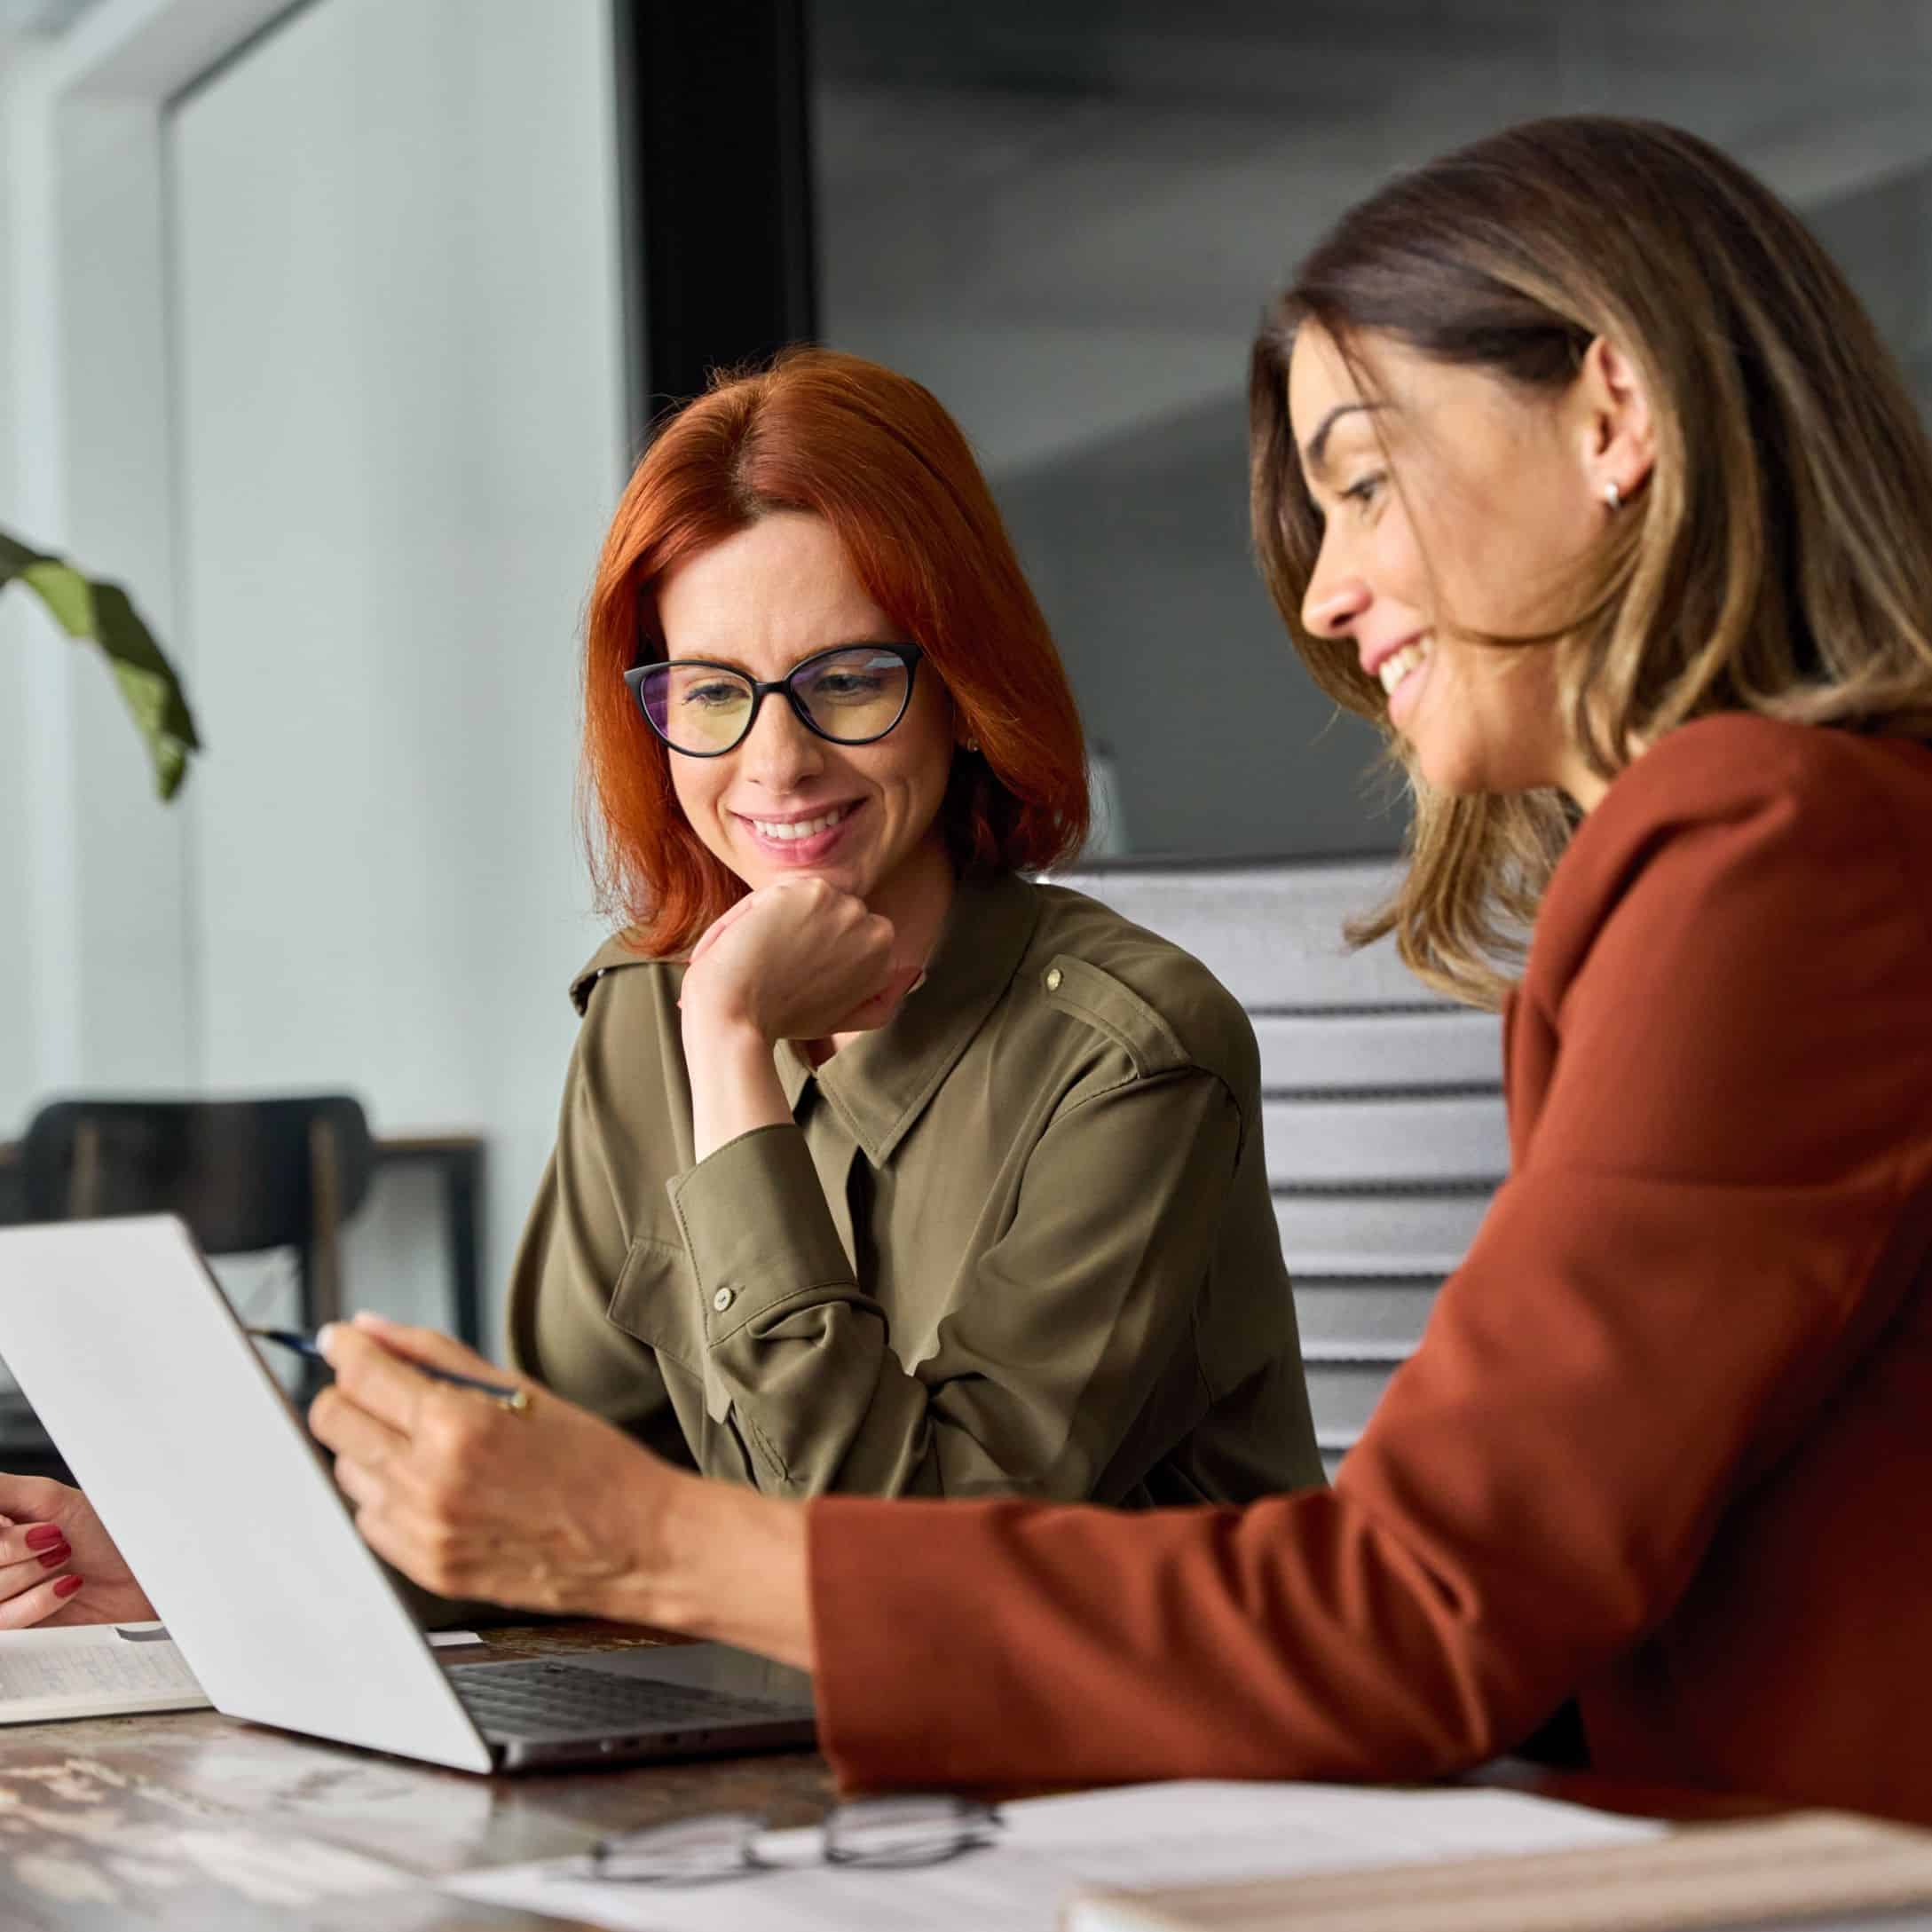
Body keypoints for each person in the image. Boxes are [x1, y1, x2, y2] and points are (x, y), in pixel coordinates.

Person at [300, 116, 1932, 1825]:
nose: (1322, 593)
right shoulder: (1760, 854)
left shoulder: (1780, 848)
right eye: (708, 691)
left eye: (1363, 479)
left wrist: (646, 1539)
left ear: (1614, 415)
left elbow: (1422, 1611)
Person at [0, 349, 1321, 1631]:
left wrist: (732, 1050)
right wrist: (200, 1555)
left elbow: (890, 1565)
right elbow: (563, 1485)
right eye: (712, 692)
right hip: (758, 1755)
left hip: (1113, 1768)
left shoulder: (1129, 1052)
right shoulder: (646, 1008)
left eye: (848, 679)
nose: (777, 761)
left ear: (960, 692)